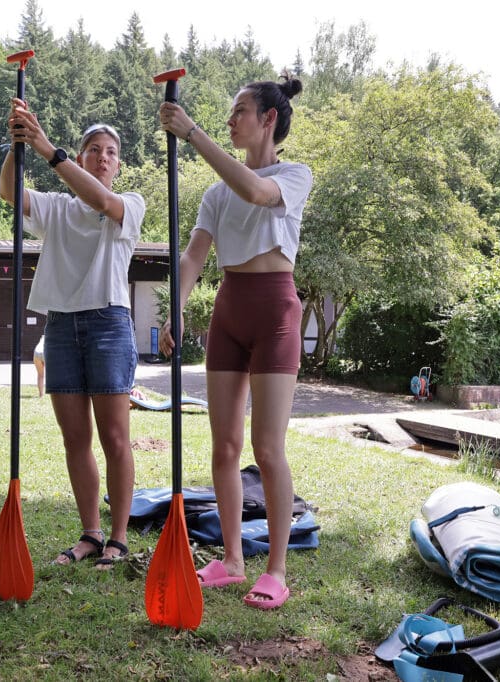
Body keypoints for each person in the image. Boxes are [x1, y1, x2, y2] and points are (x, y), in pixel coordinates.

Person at [158, 74, 312, 608]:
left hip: (274, 312)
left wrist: (192, 134)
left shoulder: (294, 174)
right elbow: (194, 257)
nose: (231, 119)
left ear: (269, 119)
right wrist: (174, 307)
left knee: (267, 449)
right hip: (229, 311)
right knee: (224, 447)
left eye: (240, 110)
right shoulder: (214, 194)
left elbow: (256, 190)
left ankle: (276, 570)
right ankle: (230, 559)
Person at [0, 98, 146, 570]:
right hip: (61, 324)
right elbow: (10, 193)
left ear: (118, 165)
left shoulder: (129, 205)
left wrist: (47, 149)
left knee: (115, 439)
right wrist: (18, 143)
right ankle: (90, 533)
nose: (103, 157)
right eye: (94, 150)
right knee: (75, 439)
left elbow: (101, 200)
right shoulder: (57, 207)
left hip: (108, 324)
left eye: (111, 152)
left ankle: (119, 538)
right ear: (81, 158)